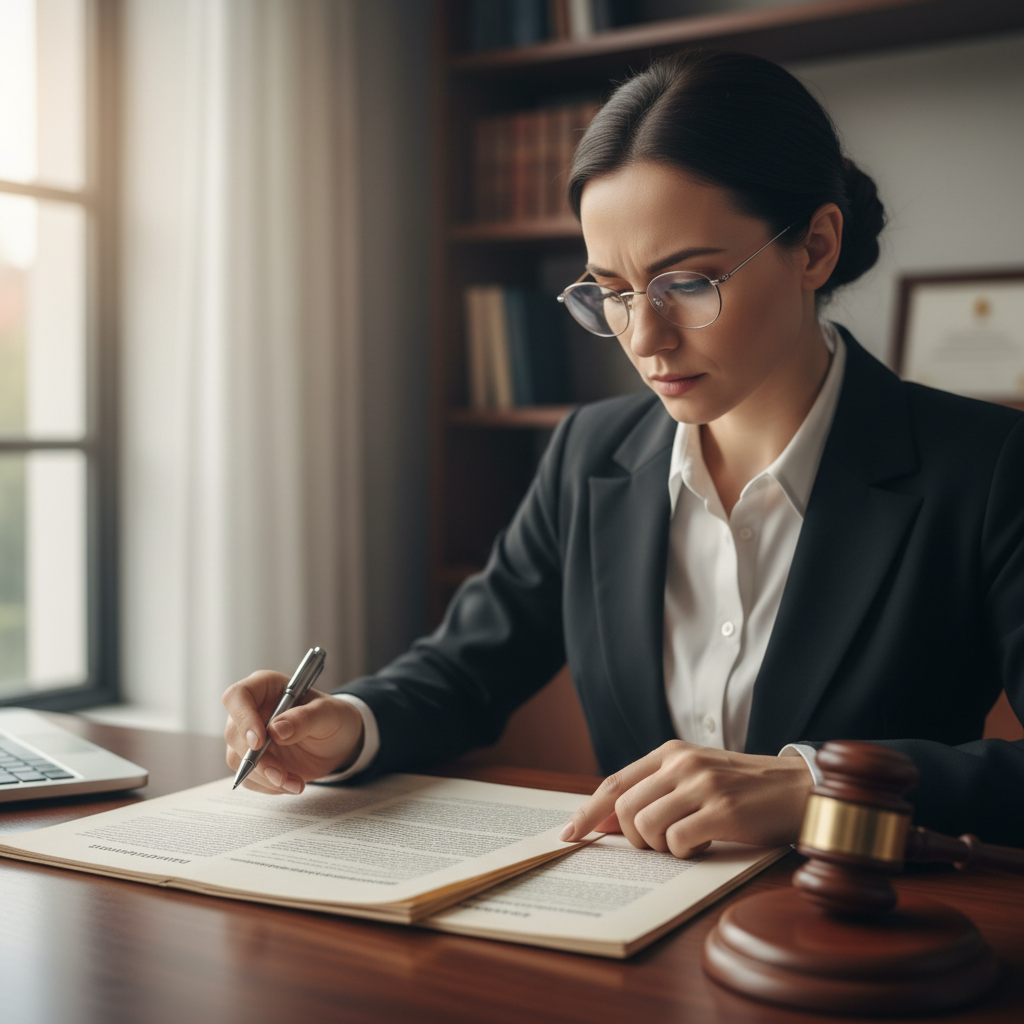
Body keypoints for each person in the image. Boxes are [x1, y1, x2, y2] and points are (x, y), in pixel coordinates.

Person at [222, 51, 1024, 851]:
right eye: (611, 291)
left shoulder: (988, 469)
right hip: (628, 938)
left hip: (869, 946)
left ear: (814, 247)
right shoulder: (590, 451)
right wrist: (345, 725)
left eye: (687, 284)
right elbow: (464, 671)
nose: (645, 339)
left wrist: (818, 786)